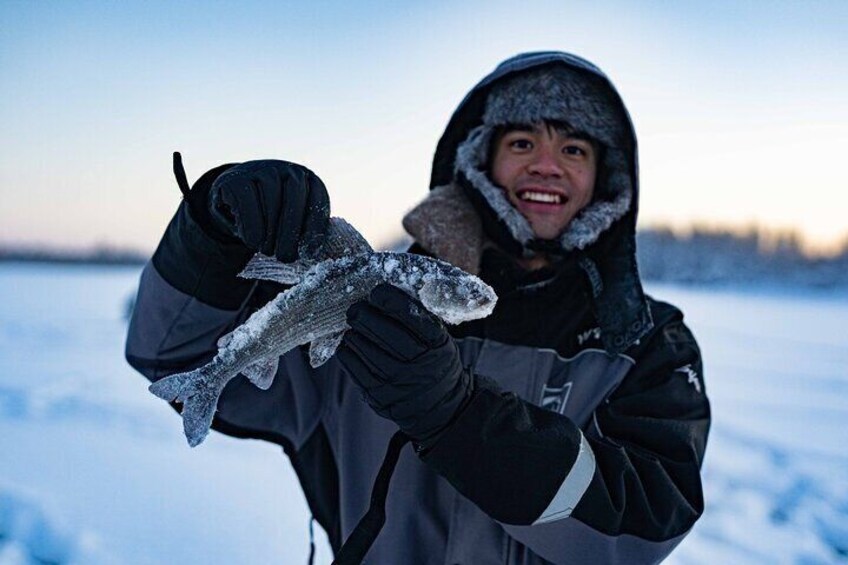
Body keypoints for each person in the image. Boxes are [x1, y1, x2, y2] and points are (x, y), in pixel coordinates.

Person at [126, 51, 710, 564]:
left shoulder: (645, 342)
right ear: (479, 159)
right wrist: (208, 235)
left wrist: (461, 419)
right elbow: (170, 351)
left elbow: (645, 528)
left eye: (574, 147)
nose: (546, 164)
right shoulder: (369, 300)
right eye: (523, 142)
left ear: (604, 176)